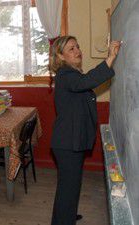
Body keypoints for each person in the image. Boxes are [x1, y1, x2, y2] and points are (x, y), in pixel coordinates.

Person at [50, 36, 121, 225]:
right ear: (61, 56)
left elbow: (83, 83)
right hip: (67, 143)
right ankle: (63, 220)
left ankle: (67, 214)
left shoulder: (71, 73)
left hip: (71, 140)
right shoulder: (66, 74)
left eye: (77, 46)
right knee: (68, 187)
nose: (78, 51)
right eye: (71, 49)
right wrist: (110, 58)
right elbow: (87, 81)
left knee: (71, 185)